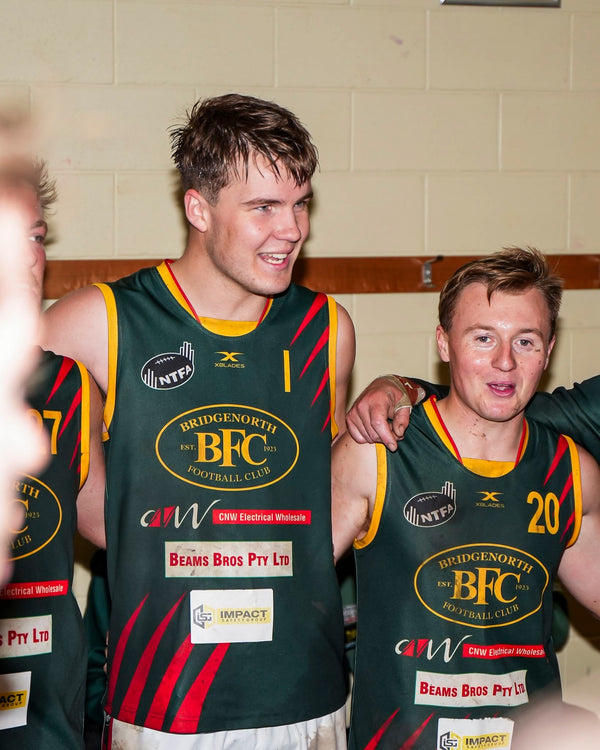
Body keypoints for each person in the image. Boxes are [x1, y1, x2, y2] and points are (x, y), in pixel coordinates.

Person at [43, 93, 355, 748]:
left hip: (308, 692)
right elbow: (75, 497)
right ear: (198, 208)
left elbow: (322, 497)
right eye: (264, 207)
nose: (292, 228)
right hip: (167, 700)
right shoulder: (97, 322)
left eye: (301, 203)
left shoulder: (327, 327)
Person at [332, 247, 600, 750]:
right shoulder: (376, 452)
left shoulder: (572, 471)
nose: (505, 362)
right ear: (444, 343)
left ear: (548, 350)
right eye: (483, 338)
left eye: (525, 340)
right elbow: (293, 589)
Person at [0, 157, 105, 748]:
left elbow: (107, 521)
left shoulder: (69, 384)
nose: (25, 259)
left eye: (34, 238)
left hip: (43, 707)